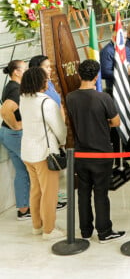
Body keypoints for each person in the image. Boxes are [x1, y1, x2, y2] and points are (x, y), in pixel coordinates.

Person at [66, 60, 125, 243]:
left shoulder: (70, 97)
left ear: (79, 75)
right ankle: (104, 231)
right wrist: (102, 122)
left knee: (83, 192)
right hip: (101, 153)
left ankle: (85, 230)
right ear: (96, 76)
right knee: (101, 193)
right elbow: (116, 122)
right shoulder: (103, 98)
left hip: (80, 152)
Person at [19, 67, 67, 240]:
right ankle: (49, 230)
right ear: (40, 82)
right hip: (44, 154)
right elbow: (60, 129)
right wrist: (63, 141)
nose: (48, 82)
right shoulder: (46, 103)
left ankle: (37, 226)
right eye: (46, 80)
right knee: (49, 193)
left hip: (27, 152)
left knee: (36, 190)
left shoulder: (23, 98)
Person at [0, 60, 30, 220]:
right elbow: (5, 110)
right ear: (16, 72)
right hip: (14, 135)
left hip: (6, 133)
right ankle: (43, 204)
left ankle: (24, 209)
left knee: (22, 171)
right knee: (34, 169)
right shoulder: (15, 89)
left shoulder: (11, 86)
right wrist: (17, 126)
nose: (27, 71)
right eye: (25, 69)